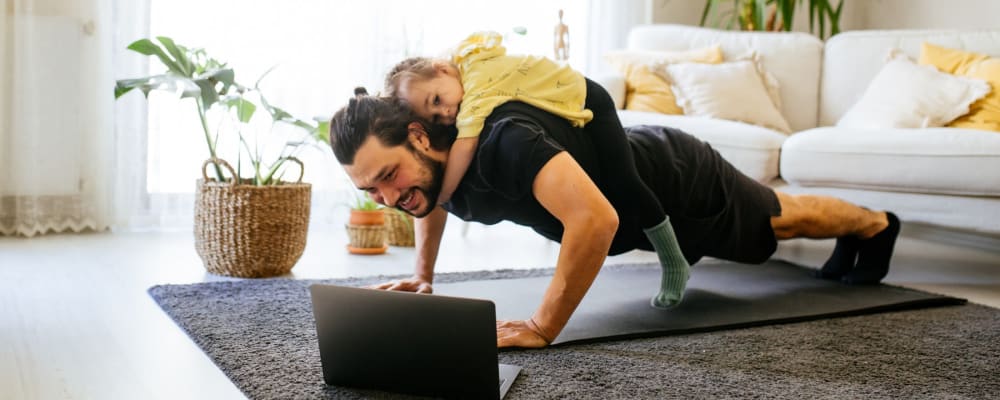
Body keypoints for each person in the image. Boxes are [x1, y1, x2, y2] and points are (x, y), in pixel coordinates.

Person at [327, 90, 901, 349]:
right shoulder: (432, 172)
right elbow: (429, 202)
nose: (385, 196)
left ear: (421, 138)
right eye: (369, 188)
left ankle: (874, 224)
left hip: (673, 176)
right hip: (643, 204)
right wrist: (425, 275)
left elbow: (596, 220)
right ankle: (861, 233)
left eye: (388, 176)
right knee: (769, 230)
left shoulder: (503, 143)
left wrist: (543, 325)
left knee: (777, 221)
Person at [384, 31, 694, 310]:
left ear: (441, 68)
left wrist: (442, 194)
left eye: (438, 100)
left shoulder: (477, 85)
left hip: (590, 99)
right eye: (434, 115)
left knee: (626, 183)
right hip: (556, 102)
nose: (446, 113)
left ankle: (673, 261)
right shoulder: (453, 71)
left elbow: (465, 145)